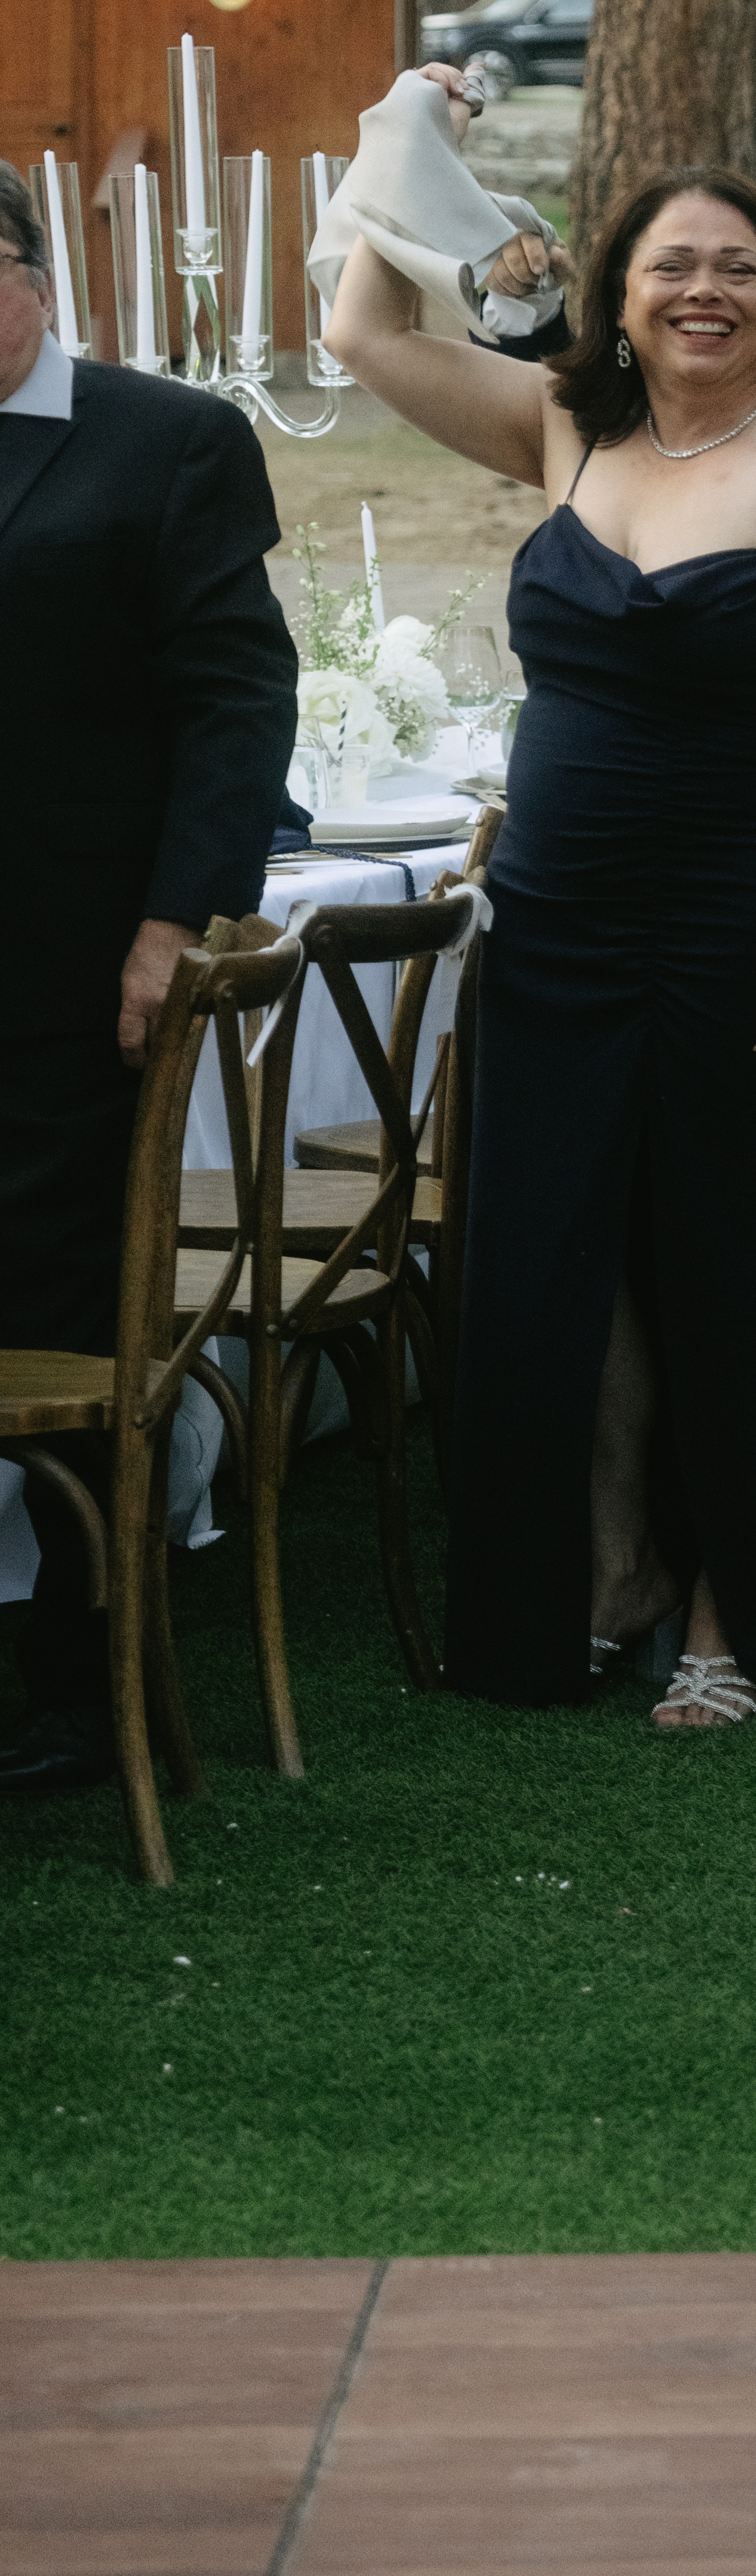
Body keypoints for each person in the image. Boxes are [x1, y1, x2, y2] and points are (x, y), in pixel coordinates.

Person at [327, 169, 756, 1726]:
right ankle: (595, 1578)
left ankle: (726, 1617)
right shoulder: (569, 432)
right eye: (667, 267)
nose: (700, 291)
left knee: (719, 1267)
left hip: (737, 926)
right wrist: (423, 163)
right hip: (558, 925)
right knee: (548, 1267)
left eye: (736, 270)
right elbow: (361, 326)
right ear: (620, 296)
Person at [0, 161, 298, 1800]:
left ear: (30, 274)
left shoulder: (165, 438)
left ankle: (80, 1687)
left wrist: (177, 924)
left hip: (68, 981)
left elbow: (239, 701)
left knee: (63, 1325)